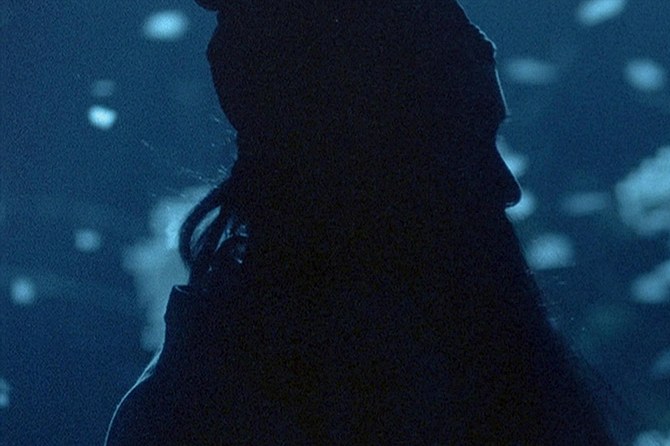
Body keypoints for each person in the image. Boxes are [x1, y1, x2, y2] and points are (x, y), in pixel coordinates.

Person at [106, 1, 615, 444]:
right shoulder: (189, 418)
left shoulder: (182, 408)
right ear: (361, 160)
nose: (507, 187)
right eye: (463, 143)